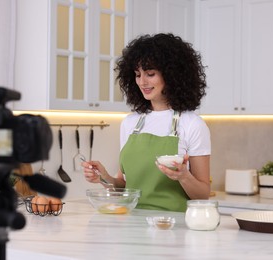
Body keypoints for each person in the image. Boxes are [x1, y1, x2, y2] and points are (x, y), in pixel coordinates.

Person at [81, 33, 211, 212]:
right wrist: (104, 177)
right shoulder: (131, 123)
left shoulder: (192, 124)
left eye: (150, 74)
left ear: (172, 75)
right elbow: (124, 187)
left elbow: (203, 194)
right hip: (133, 225)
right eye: (137, 74)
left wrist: (184, 176)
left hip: (172, 227)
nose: (142, 82)